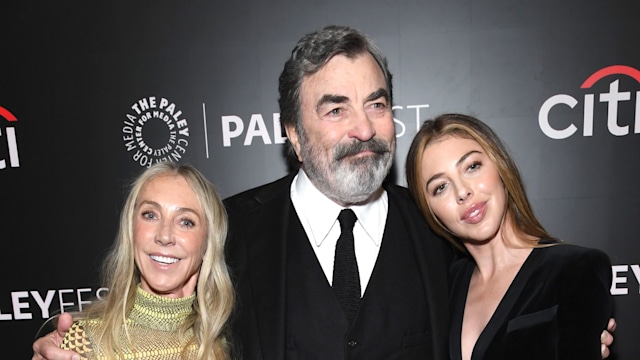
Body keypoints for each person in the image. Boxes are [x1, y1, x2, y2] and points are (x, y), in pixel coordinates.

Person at [32, 26, 615, 360]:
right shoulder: (232, 229)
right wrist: (69, 344)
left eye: (377, 104)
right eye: (335, 108)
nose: (363, 129)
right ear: (292, 132)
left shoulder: (443, 234)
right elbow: (154, 313)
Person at [405, 113, 614, 359]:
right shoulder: (444, 286)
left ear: (500, 165)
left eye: (472, 167)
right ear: (430, 211)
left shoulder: (575, 271)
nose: (463, 192)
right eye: (440, 187)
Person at [51, 162, 234, 359]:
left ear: (207, 243)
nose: (164, 236)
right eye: (150, 215)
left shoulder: (216, 343)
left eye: (185, 221)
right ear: (131, 230)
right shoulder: (85, 341)